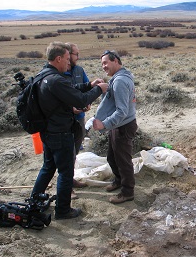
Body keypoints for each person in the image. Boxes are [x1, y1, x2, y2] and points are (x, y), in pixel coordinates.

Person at [31, 41, 107, 220]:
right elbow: (79, 100)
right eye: (66, 58)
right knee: (65, 172)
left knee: (48, 167)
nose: (68, 62)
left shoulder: (44, 75)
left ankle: (34, 201)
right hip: (60, 132)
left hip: (48, 132)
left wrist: (88, 85)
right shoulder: (56, 80)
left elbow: (70, 91)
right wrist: (98, 89)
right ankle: (63, 210)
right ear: (58, 58)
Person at [92, 49, 137, 204]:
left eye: (106, 62)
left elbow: (122, 111)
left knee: (123, 160)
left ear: (116, 61)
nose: (103, 66)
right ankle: (119, 180)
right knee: (112, 157)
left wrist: (104, 123)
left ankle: (127, 192)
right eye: (102, 64)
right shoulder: (119, 78)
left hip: (122, 126)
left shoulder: (119, 81)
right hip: (118, 125)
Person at [65, 42, 90, 194]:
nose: (78, 57)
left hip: (80, 118)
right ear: (67, 54)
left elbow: (86, 87)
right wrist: (70, 108)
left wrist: (87, 102)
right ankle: (66, 185)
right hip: (65, 120)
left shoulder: (79, 70)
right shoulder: (59, 72)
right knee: (66, 153)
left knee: (75, 150)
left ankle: (71, 179)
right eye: (76, 54)